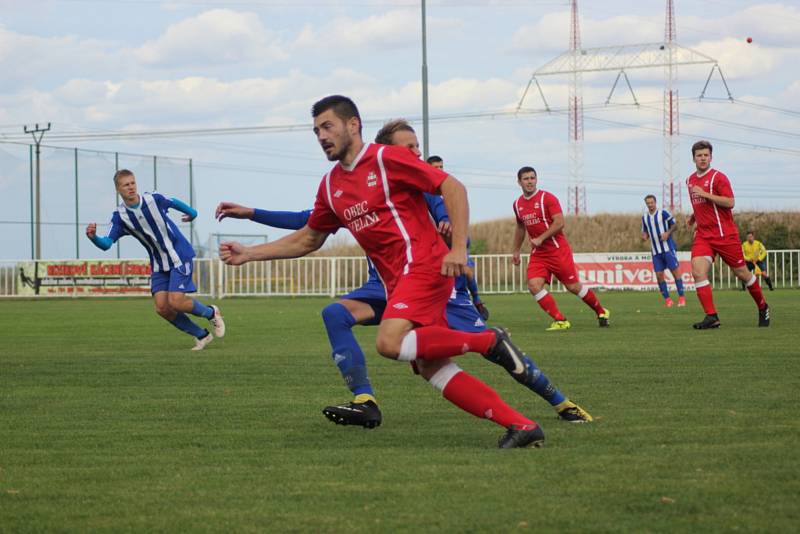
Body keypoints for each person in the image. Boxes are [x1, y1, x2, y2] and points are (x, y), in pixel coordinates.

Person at [217, 118, 591, 432]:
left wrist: (451, 233)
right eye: (407, 147)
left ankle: (561, 402)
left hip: (430, 285)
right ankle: (366, 399)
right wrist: (252, 214)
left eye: (416, 146)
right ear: (388, 151)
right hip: (386, 287)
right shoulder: (360, 183)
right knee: (341, 317)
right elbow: (308, 224)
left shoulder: (417, 181)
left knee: (479, 352)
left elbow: (445, 201)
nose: (414, 153)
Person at [86, 169, 225, 349]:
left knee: (176, 301)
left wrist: (192, 213)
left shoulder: (153, 199)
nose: (131, 187)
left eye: (132, 183)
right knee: (162, 308)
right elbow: (106, 244)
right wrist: (93, 237)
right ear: (118, 190)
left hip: (179, 255)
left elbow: (173, 202)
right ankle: (201, 335)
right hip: (159, 264)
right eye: (125, 185)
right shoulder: (120, 217)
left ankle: (211, 312)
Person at [511, 166, 610, 331]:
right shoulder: (517, 204)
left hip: (557, 250)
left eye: (532, 178)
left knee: (573, 287)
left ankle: (601, 311)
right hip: (538, 254)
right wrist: (516, 250)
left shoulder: (547, 198)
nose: (530, 182)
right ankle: (560, 320)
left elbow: (559, 222)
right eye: (526, 179)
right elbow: (520, 227)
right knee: (534, 285)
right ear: (519, 182)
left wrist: (541, 238)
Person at [686, 140, 769, 329]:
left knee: (743, 273)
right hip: (704, 235)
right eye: (699, 155)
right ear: (693, 158)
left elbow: (730, 202)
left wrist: (706, 194)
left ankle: (763, 306)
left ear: (711, 157)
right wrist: (694, 217)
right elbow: (701, 204)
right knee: (698, 271)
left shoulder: (718, 178)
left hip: (725, 235)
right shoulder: (690, 180)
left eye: (706, 155)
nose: (703, 158)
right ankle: (711, 316)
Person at [424, 154, 489, 320]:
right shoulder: (426, 192)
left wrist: (450, 223)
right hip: (439, 240)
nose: (439, 171)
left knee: (465, 271)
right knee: (452, 275)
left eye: (441, 167)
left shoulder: (446, 189)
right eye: (435, 168)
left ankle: (476, 300)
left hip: (455, 237)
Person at [641, 194, 686, 307]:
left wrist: (667, 233)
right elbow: (645, 231)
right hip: (656, 251)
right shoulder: (644, 217)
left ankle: (681, 298)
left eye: (652, 202)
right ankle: (668, 300)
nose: (650, 205)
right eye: (648, 203)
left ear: (655, 203)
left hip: (668, 248)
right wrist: (644, 236)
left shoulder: (663, 213)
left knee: (675, 272)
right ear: (646, 204)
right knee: (659, 275)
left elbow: (675, 225)